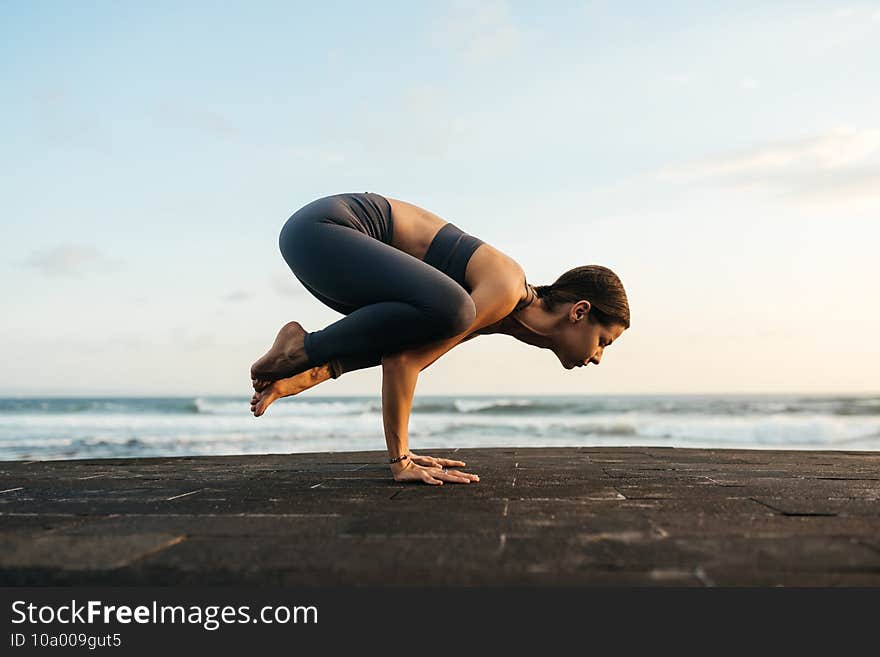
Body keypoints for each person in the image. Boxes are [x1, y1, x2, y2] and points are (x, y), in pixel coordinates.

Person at [250, 192, 630, 486]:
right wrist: (402, 461)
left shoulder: (496, 315)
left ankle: (302, 351)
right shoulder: (505, 288)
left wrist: (304, 376)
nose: (597, 357)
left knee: (436, 319)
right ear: (579, 312)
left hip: (317, 243)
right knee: (454, 311)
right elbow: (405, 363)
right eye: (603, 342)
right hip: (325, 228)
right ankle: (302, 345)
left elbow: (398, 349)